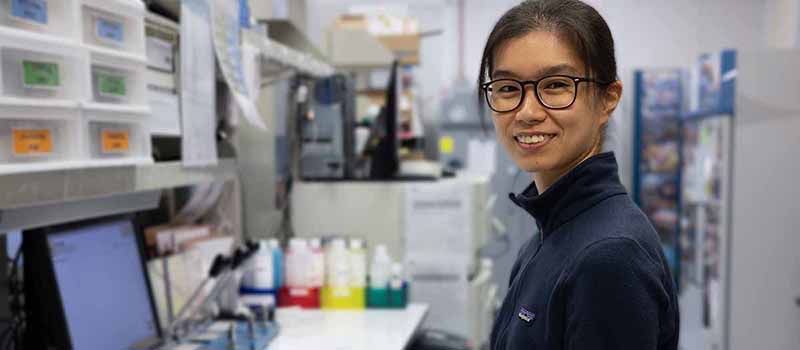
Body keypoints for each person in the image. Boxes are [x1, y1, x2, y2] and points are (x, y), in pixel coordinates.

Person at [478, 1, 680, 349]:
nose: (527, 112)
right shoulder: (548, 236)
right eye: (508, 88)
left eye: (556, 85)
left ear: (607, 99)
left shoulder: (609, 257)